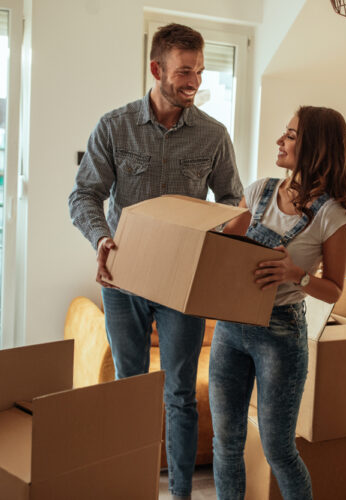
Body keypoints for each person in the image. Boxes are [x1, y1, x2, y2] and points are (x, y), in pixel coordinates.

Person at [68, 23, 243, 500]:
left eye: (200, 72)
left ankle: (181, 494)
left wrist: (225, 242)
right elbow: (85, 194)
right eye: (185, 71)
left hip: (183, 286)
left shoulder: (212, 136)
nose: (194, 82)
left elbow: (233, 201)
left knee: (180, 396)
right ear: (156, 69)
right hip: (123, 280)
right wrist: (101, 239)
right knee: (131, 392)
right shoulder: (115, 126)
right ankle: (133, 488)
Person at [208, 105, 346, 500]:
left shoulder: (333, 216)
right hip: (230, 327)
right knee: (226, 442)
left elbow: (333, 289)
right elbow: (225, 246)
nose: (280, 141)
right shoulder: (259, 190)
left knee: (278, 449)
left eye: (291, 135)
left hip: (280, 333)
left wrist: (296, 274)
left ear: (314, 147)